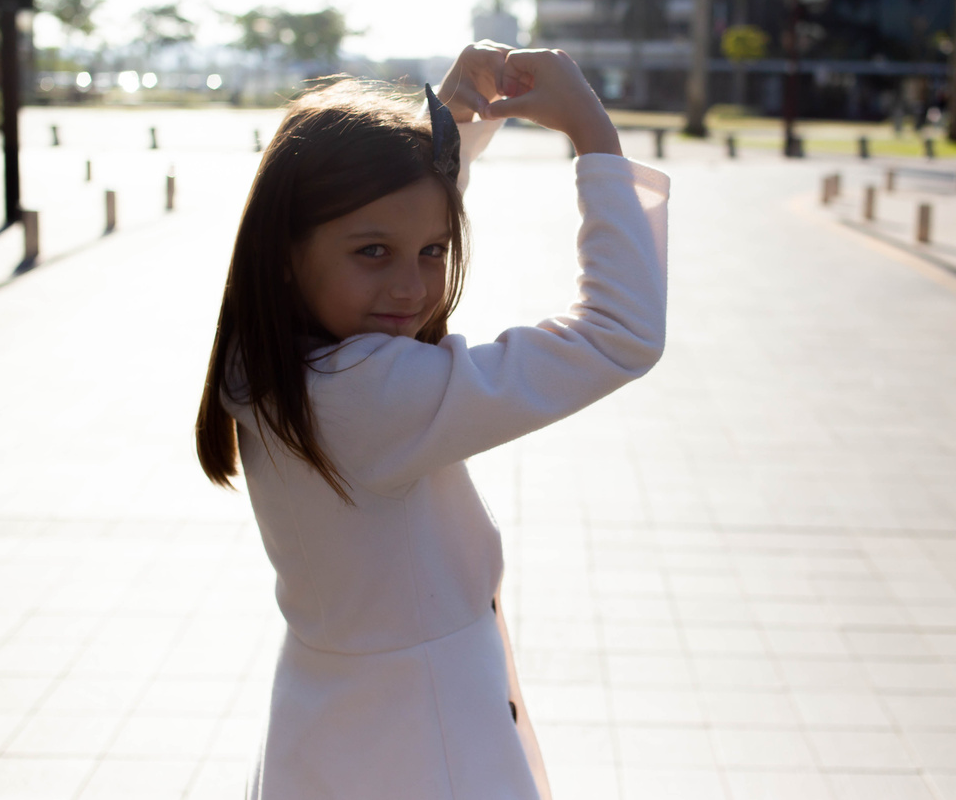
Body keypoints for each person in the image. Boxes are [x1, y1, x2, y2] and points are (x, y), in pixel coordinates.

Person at [194, 42, 669, 800]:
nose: (411, 287)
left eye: (433, 251)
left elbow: (391, 222)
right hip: (423, 737)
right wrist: (594, 139)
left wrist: (449, 131)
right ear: (285, 254)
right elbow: (620, 333)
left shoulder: (267, 360)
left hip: (329, 721)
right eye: (373, 253)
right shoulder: (370, 394)